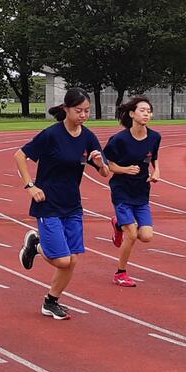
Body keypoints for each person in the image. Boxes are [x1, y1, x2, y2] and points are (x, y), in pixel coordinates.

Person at [15, 88, 110, 320]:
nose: (83, 115)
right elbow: (20, 155)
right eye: (78, 110)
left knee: (72, 260)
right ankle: (36, 246)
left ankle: (51, 301)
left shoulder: (88, 137)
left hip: (72, 205)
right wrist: (30, 186)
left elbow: (105, 173)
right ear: (66, 109)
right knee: (62, 260)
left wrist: (100, 163)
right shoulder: (51, 135)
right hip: (48, 203)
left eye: (87, 111)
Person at [103, 96, 161, 287]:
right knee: (132, 234)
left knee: (146, 236)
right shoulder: (119, 140)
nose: (146, 114)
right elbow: (108, 165)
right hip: (121, 190)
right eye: (142, 110)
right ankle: (120, 273)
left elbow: (154, 158)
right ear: (131, 114)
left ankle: (118, 224)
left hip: (141, 191)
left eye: (149, 111)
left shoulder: (154, 137)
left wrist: (156, 171)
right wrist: (125, 169)